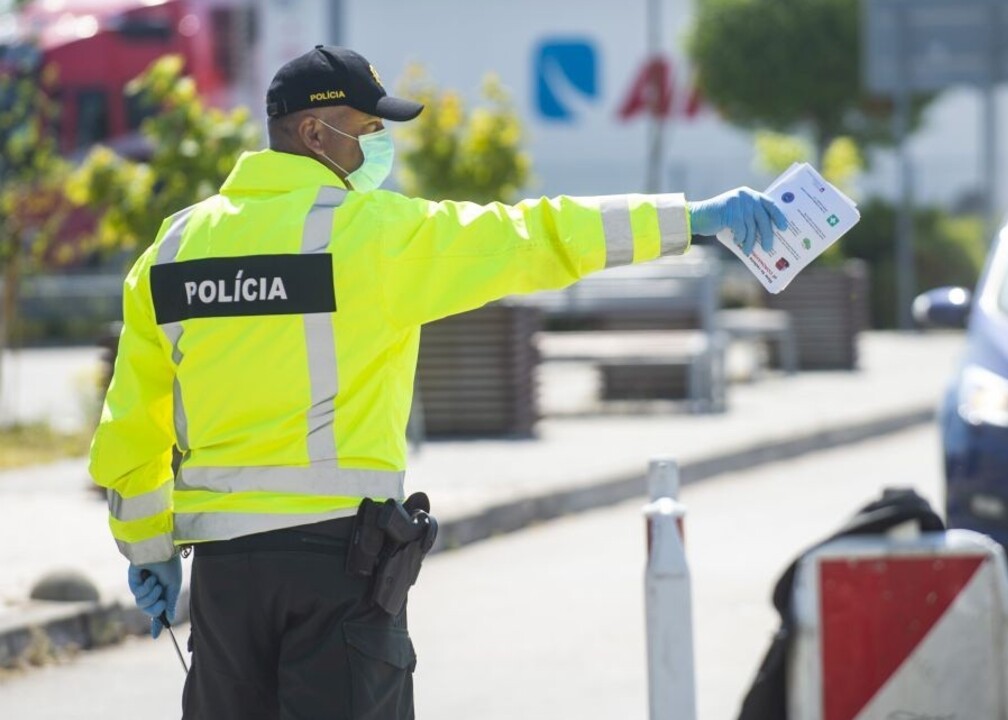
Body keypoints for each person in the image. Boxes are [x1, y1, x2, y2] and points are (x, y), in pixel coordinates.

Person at [89, 45, 785, 720]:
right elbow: (533, 237)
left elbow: (132, 423)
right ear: (313, 132)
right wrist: (688, 221)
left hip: (226, 581)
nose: (377, 148)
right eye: (367, 130)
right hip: (338, 567)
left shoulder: (175, 248)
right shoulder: (372, 235)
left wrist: (148, 548)